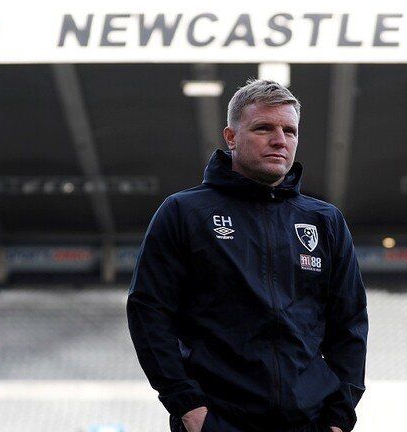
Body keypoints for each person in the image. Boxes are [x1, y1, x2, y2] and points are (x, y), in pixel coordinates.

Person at [127, 79, 368, 432]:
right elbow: (149, 312)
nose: (280, 140)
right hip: (217, 420)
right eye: (263, 128)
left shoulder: (324, 220)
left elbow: (350, 322)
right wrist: (188, 407)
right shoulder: (184, 212)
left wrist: (339, 418)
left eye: (289, 130)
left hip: (310, 422)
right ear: (231, 137)